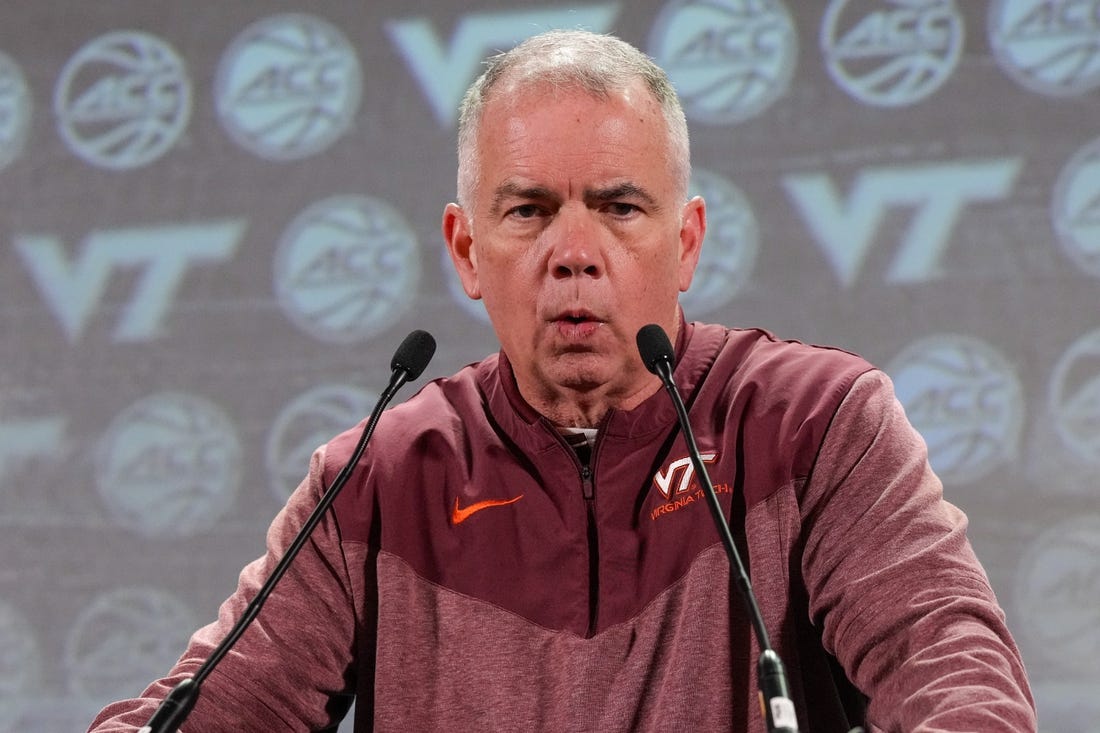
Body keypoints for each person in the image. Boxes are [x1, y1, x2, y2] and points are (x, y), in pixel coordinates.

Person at [89, 30, 1036, 732]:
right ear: (466, 248)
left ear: (688, 241)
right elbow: (206, 712)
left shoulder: (816, 423)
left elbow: (955, 673)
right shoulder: (377, 479)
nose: (573, 254)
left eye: (620, 207)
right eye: (529, 210)